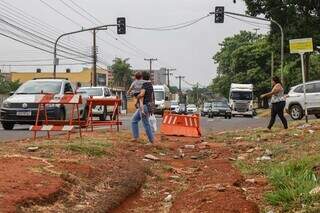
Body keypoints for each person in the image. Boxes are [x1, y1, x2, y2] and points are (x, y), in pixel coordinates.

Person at [131, 71, 155, 144]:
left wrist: (136, 96)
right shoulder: (150, 84)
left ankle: (151, 141)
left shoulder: (145, 84)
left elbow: (142, 94)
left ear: (142, 77)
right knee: (134, 120)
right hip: (146, 105)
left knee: (146, 124)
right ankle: (136, 137)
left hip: (144, 107)